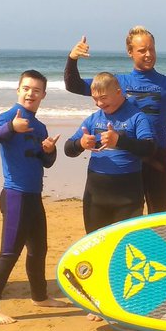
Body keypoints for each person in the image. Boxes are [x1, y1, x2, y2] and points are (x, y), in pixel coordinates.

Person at [64, 27, 166, 213]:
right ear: (130, 52)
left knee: (157, 220)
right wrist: (73, 59)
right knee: (127, 219)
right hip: (125, 159)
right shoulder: (117, 83)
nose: (148, 54)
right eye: (142, 50)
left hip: (157, 158)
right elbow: (73, 85)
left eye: (151, 49)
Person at [0, 70, 69, 325]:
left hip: (33, 195)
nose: (31, 93)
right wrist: (11, 128)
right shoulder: (9, 117)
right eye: (27, 88)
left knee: (39, 250)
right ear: (18, 90)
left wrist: (48, 150)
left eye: (36, 90)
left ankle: (39, 296)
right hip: (15, 194)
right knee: (9, 252)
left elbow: (46, 163)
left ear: (43, 95)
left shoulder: (39, 126)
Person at [63, 72, 156, 233]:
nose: (99, 103)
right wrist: (80, 143)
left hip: (128, 196)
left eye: (103, 98)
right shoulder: (93, 119)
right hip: (96, 196)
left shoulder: (137, 117)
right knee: (97, 247)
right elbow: (68, 149)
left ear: (118, 92)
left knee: (125, 248)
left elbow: (149, 148)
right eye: (95, 99)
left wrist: (119, 141)